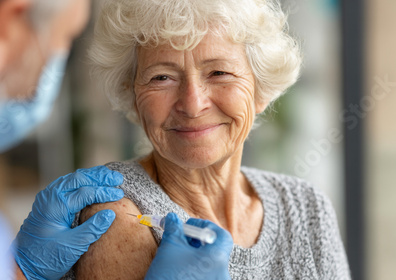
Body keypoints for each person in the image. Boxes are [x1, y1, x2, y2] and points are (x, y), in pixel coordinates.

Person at [0, 0, 233, 279]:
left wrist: (19, 269)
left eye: (219, 72)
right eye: (63, 42)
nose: (193, 104)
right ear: (5, 30)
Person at [67, 0, 352, 279]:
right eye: (162, 77)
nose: (192, 104)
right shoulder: (116, 212)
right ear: (132, 95)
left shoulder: (306, 207)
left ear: (260, 90)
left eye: (219, 73)